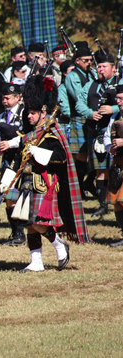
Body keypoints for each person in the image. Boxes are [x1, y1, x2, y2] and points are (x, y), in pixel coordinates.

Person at [8, 75, 89, 272]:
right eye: (28, 112)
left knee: (38, 222)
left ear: (43, 113)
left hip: (45, 182)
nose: (29, 116)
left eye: (33, 113)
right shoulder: (29, 133)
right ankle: (36, 262)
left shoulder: (52, 131)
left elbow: (61, 156)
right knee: (28, 223)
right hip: (26, 181)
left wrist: (39, 152)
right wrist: (10, 175)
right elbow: (20, 155)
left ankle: (59, 244)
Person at [76, 52, 121, 217]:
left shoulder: (120, 83)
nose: (101, 70)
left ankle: (117, 200)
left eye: (104, 66)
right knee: (100, 169)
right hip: (97, 131)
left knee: (115, 167)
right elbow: (79, 103)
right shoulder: (91, 85)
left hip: (117, 131)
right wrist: (89, 113)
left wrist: (113, 109)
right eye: (99, 66)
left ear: (113, 68)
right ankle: (103, 205)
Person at [0, 83, 27, 246]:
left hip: (25, 158)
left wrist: (10, 144)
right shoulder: (0, 117)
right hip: (8, 160)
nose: (5, 101)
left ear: (17, 97)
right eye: (3, 98)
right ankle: (17, 233)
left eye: (8, 98)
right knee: (8, 196)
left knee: (26, 195)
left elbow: (28, 135)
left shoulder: (24, 114)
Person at [65, 45, 96, 198]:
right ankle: (77, 188)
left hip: (92, 116)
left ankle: (84, 184)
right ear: (77, 61)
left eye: (91, 60)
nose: (89, 63)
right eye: (86, 60)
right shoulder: (72, 76)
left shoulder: (91, 73)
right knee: (81, 155)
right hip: (78, 117)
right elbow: (79, 96)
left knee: (94, 152)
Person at [104, 85, 123, 247]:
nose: (119, 101)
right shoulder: (116, 115)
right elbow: (106, 136)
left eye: (121, 98)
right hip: (118, 164)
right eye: (118, 98)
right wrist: (109, 146)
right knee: (117, 202)